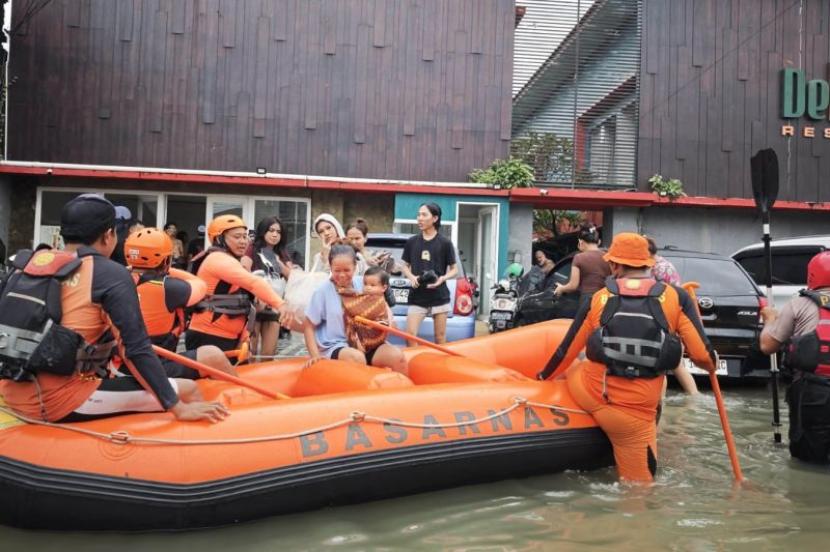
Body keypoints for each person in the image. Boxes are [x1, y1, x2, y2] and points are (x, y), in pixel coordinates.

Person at [0, 194, 228, 423]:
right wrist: (177, 407)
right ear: (109, 235)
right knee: (187, 389)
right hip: (59, 400)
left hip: (13, 390)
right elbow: (135, 349)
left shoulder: (28, 265)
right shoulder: (108, 274)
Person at [536, 233, 716, 482]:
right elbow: (703, 359)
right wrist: (712, 358)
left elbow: (565, 351)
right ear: (648, 263)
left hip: (591, 392)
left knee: (577, 366)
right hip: (635, 417)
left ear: (615, 265)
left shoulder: (599, 298)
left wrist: (542, 378)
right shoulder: (676, 298)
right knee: (639, 491)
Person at [124, 227, 236, 379]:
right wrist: (169, 270)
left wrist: (135, 269)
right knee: (213, 354)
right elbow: (199, 284)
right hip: (150, 366)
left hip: (125, 361)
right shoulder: (169, 287)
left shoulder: (116, 280)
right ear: (166, 260)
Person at [759, 251, 830, 464]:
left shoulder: (799, 304)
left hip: (813, 392)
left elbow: (767, 346)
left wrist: (770, 319)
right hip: (814, 391)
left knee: (808, 458)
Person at [186, 215, 294, 353]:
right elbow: (253, 283)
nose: (243, 241)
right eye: (237, 237)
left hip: (227, 337)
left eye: (245, 237)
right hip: (210, 336)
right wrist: (281, 305)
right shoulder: (218, 260)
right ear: (219, 239)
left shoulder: (230, 260)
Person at [303, 243, 406, 372]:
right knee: (357, 357)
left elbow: (381, 302)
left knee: (397, 357)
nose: (342, 275)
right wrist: (315, 356)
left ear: (355, 267)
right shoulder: (321, 292)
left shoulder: (364, 284)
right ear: (330, 267)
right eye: (337, 270)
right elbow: (308, 326)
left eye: (347, 270)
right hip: (336, 345)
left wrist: (389, 321)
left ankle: (404, 391)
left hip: (366, 342)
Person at [645, 236, 699, 396]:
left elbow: (670, 296)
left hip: (665, 321)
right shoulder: (656, 266)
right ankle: (694, 396)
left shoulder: (661, 268)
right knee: (675, 365)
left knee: (662, 365)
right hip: (665, 320)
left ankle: (662, 401)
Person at [401, 203, 457, 345]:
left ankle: (439, 366)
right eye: (418, 215)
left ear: (435, 218)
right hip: (417, 296)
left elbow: (454, 269)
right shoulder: (412, 242)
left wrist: (442, 278)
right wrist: (411, 277)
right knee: (410, 336)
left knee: (440, 338)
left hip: (439, 296)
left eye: (424, 215)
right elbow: (404, 266)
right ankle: (414, 364)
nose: (420, 218)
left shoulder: (445, 243)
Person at [241, 217, 294, 358]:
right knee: (249, 352)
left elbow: (292, 276)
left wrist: (279, 263)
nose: (275, 234)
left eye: (278, 231)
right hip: (254, 305)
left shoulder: (282, 253)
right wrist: (256, 293)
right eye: (271, 230)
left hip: (274, 306)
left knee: (269, 354)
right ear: (263, 231)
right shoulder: (252, 249)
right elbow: (244, 271)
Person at [554, 224, 610, 308]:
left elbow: (573, 286)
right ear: (599, 242)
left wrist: (561, 288)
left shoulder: (579, 258)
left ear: (581, 242)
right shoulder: (608, 257)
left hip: (587, 300)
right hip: (605, 298)